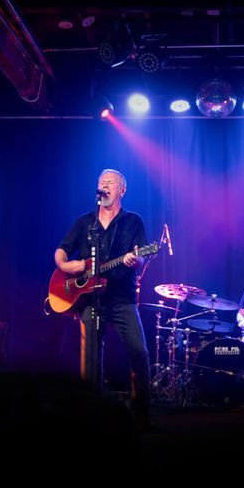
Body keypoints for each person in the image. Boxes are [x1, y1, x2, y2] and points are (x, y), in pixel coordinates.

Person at [54, 169, 152, 428]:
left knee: (139, 352)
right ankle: (91, 415)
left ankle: (140, 413)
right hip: (90, 299)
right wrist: (70, 266)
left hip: (122, 298)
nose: (104, 186)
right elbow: (60, 252)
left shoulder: (133, 221)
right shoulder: (85, 223)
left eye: (110, 183)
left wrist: (136, 259)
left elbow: (142, 257)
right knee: (90, 360)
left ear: (122, 190)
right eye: (100, 183)